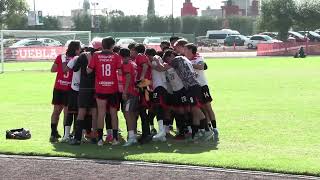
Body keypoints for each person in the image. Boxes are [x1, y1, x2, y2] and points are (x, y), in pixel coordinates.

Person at [164, 50, 207, 141]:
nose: (168, 60)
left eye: (168, 57)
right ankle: (195, 134)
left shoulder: (177, 59)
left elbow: (164, 67)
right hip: (191, 87)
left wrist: (155, 61)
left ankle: (205, 130)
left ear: (172, 55)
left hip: (192, 87)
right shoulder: (183, 59)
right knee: (193, 110)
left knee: (195, 110)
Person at [87, 37, 122, 146]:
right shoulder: (116, 56)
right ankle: (115, 139)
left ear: (102, 45)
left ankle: (100, 139)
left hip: (100, 87)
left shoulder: (96, 55)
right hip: (112, 88)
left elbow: (89, 70)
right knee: (113, 114)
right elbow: (120, 71)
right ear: (112, 46)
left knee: (101, 113)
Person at [68, 39, 103, 145]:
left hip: (84, 88)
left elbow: (74, 69)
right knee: (94, 113)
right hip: (96, 87)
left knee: (81, 112)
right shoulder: (100, 57)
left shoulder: (83, 55)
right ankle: (95, 137)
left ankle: (77, 138)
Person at [184, 43, 219, 140]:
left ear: (191, 50)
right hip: (194, 88)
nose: (184, 51)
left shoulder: (198, 57)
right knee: (199, 108)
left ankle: (215, 128)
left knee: (208, 107)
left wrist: (189, 64)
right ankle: (205, 129)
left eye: (185, 49)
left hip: (203, 86)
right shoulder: (185, 59)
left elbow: (201, 66)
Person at [49, 41, 81, 142]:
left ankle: (53, 133)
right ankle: (65, 135)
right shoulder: (77, 59)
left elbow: (53, 69)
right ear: (76, 49)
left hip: (58, 87)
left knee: (56, 111)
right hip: (69, 89)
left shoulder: (60, 57)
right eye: (79, 48)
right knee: (67, 112)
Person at [130, 44, 153, 144]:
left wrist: (141, 79)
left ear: (135, 50)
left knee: (143, 109)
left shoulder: (140, 56)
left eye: (131, 50)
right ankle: (146, 133)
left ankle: (146, 134)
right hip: (144, 85)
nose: (131, 52)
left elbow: (145, 65)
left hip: (144, 85)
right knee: (141, 110)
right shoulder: (139, 57)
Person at [146, 48, 170, 142]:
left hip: (160, 87)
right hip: (158, 87)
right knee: (159, 108)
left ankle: (161, 131)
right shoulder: (155, 59)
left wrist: (150, 64)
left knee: (159, 108)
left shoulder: (156, 58)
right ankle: (162, 133)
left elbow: (161, 69)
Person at [120, 48, 140, 146]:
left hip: (130, 92)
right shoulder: (133, 63)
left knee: (127, 113)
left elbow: (128, 77)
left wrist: (124, 91)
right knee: (131, 114)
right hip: (134, 92)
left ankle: (131, 137)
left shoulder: (127, 64)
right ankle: (133, 136)